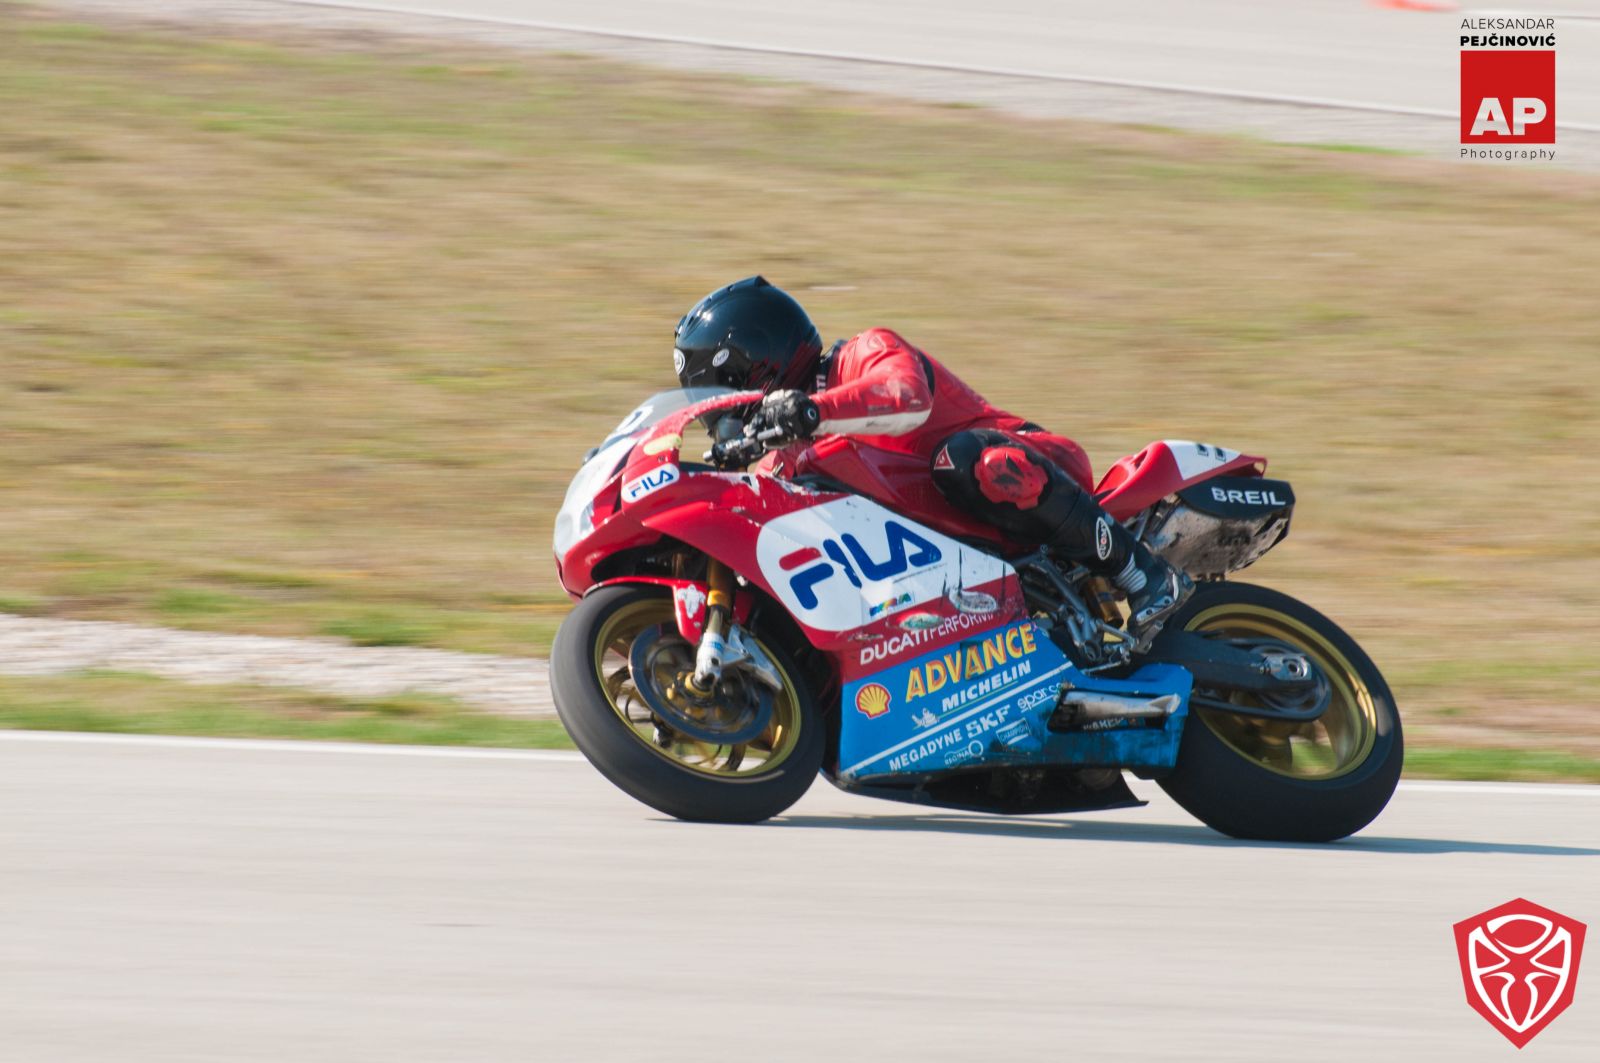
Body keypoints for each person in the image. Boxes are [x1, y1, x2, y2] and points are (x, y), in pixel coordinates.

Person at [672, 275, 1190, 639]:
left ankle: (1143, 574)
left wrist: (813, 411)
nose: (715, 407)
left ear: (757, 361)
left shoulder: (861, 354)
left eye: (718, 387)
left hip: (1023, 467)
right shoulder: (786, 462)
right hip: (956, 564)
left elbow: (907, 396)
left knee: (964, 460)